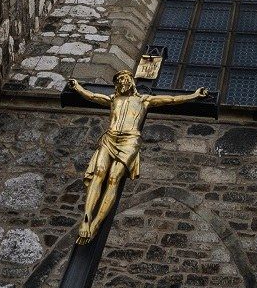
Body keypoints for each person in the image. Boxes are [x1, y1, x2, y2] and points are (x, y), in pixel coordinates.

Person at [66, 72, 209, 244]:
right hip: (109, 137)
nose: (122, 82)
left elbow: (171, 99)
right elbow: (92, 96)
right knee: (99, 172)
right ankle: (87, 219)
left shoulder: (144, 100)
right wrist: (77, 87)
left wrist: (194, 95)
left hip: (130, 140)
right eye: (119, 80)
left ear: (132, 82)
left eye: (125, 79)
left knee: (113, 178)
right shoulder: (113, 99)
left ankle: (96, 223)